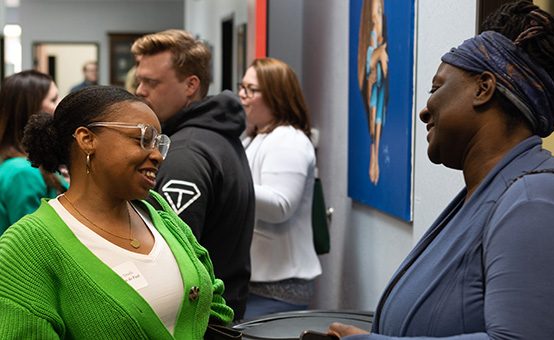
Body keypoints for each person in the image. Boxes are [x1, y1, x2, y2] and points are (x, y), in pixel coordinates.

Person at [329, 1, 554, 339]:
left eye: (436, 88)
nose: (425, 111)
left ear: (483, 89)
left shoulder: (537, 202)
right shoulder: (489, 192)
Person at [0, 86, 233, 338]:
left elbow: (213, 303)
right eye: (143, 138)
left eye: (159, 143)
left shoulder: (156, 209)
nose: (157, 155)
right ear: (86, 139)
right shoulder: (27, 247)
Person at [132, 29, 255, 321]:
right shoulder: (216, 137)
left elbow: (170, 261)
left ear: (190, 85)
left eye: (151, 82)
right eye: (139, 80)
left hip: (199, 321)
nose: (139, 91)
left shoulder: (186, 154)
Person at [239, 58, 322, 319]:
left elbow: (280, 206)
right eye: (242, 87)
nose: (242, 96)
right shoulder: (256, 136)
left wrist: (229, 184)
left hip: (277, 288)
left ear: (277, 96)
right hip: (258, 283)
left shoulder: (289, 140)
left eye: (251, 90)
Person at [0, 70, 66, 234]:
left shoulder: (28, 162)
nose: (60, 104)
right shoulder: (21, 172)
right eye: (53, 99)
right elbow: (33, 242)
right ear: (30, 110)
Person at [357, 0, 389, 185]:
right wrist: (378, 56)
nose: (378, 15)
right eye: (376, 11)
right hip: (373, 90)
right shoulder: (371, 39)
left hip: (379, 90)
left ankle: (375, 156)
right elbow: (370, 66)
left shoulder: (381, 38)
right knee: (374, 113)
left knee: (378, 116)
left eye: (380, 10)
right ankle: (374, 156)